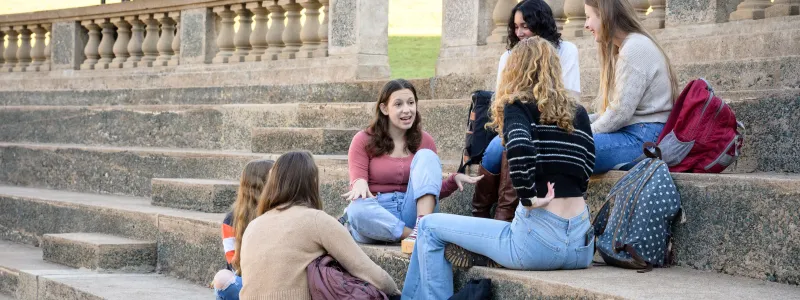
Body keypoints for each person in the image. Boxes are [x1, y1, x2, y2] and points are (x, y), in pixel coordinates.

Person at [401, 37, 596, 300]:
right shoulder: (579, 112)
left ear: (514, 70)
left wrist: (528, 198)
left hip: (535, 244)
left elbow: (518, 148)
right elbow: (587, 163)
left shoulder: (518, 106)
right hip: (581, 245)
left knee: (427, 228)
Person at [342, 79, 483, 254]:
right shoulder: (363, 140)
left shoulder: (425, 141)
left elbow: (429, 191)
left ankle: (420, 228)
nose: (407, 110)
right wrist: (359, 182)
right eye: (398, 104)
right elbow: (358, 183)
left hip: (414, 213)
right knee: (356, 210)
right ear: (384, 108)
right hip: (378, 216)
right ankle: (416, 234)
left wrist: (453, 180)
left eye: (411, 103)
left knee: (426, 155)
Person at [238, 151, 401, 299]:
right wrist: (396, 293)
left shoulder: (253, 225)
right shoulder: (315, 220)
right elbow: (367, 271)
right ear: (312, 182)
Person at [476, 0, 582, 222]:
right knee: (497, 149)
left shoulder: (566, 51)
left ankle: (504, 213)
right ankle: (482, 211)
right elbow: (502, 102)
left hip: (553, 123)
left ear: (540, 23)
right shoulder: (509, 56)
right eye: (515, 27)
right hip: (515, 123)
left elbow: (571, 99)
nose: (520, 32)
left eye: (525, 25)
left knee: (517, 143)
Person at [584, 0, 678, 173]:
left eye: (589, 17)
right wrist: (580, 121)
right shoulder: (630, 45)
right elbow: (615, 111)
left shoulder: (634, 48)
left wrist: (584, 133)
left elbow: (620, 113)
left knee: (567, 149)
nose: (586, 25)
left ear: (604, 16)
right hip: (639, 133)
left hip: (642, 139)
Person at [212, 159, 274, 300]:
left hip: (276, 282)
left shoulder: (280, 212)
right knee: (223, 278)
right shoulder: (231, 220)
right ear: (260, 185)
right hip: (245, 279)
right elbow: (233, 262)